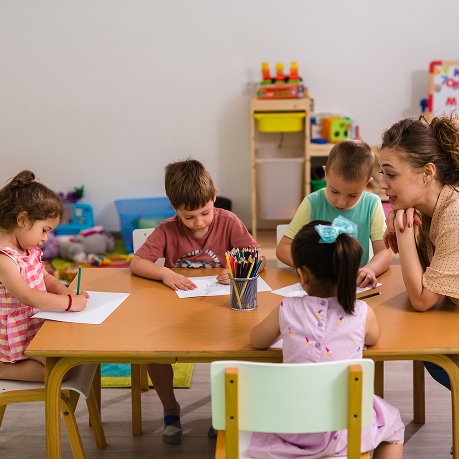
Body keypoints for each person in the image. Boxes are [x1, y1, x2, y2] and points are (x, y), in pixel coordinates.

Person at [130, 158, 266, 444]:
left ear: (214, 196)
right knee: (153, 354)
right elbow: (137, 263)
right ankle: (170, 408)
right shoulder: (167, 229)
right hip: (176, 314)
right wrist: (165, 273)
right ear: (174, 207)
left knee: (231, 353)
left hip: (219, 312)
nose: (199, 223)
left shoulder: (228, 221)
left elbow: (259, 257)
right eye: (188, 217)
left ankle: (222, 412)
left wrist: (237, 270)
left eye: (205, 213)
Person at [248, 217, 404, 459]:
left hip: (289, 427)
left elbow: (256, 340)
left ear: (303, 275)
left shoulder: (287, 308)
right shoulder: (363, 313)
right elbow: (373, 338)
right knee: (393, 425)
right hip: (342, 431)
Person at [380, 114, 459, 393]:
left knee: (430, 352)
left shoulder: (454, 215)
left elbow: (423, 299)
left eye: (391, 174)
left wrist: (403, 234)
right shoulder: (430, 207)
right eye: (382, 174)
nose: (382, 184)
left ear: (427, 173)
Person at [0, 170, 88, 383]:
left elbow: (44, 276)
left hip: (32, 323)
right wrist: (69, 303)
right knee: (60, 372)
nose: (45, 239)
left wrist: (62, 290)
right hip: (14, 333)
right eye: (44, 230)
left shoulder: (27, 248)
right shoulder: (4, 258)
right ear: (22, 219)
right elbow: (27, 296)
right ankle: (1, 370)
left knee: (70, 357)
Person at [276, 139, 392, 289]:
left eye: (353, 195)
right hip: (318, 286)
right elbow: (283, 248)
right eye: (334, 191)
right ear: (325, 173)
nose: (341, 202)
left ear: (367, 182)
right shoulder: (313, 202)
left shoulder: (372, 203)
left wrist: (370, 269)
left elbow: (384, 253)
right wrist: (310, 267)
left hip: (354, 288)